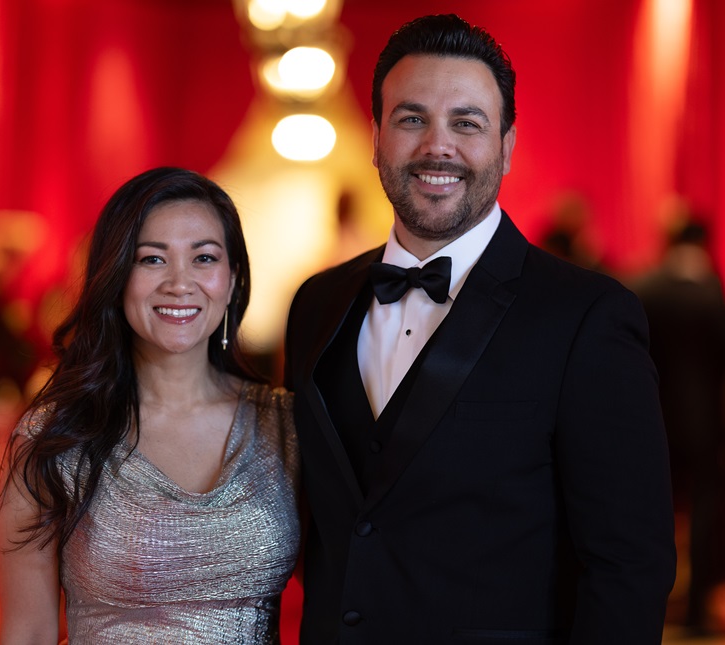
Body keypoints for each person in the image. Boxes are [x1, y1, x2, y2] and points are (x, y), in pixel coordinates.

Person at [284, 14, 676, 644]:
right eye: (412, 119)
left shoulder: (588, 317)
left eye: (466, 123)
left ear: (507, 146)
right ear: (376, 139)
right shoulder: (316, 304)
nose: (438, 146)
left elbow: (629, 565)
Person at [0, 167, 300, 644]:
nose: (180, 283)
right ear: (115, 277)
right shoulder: (54, 437)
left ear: (233, 278)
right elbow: (27, 631)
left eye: (204, 258)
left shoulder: (285, 424)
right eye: (152, 260)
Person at [634, 221, 725, 634]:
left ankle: (644, 605)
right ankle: (695, 611)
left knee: (648, 514)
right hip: (706, 424)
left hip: (652, 419)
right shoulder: (715, 293)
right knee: (706, 516)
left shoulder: (644, 287)